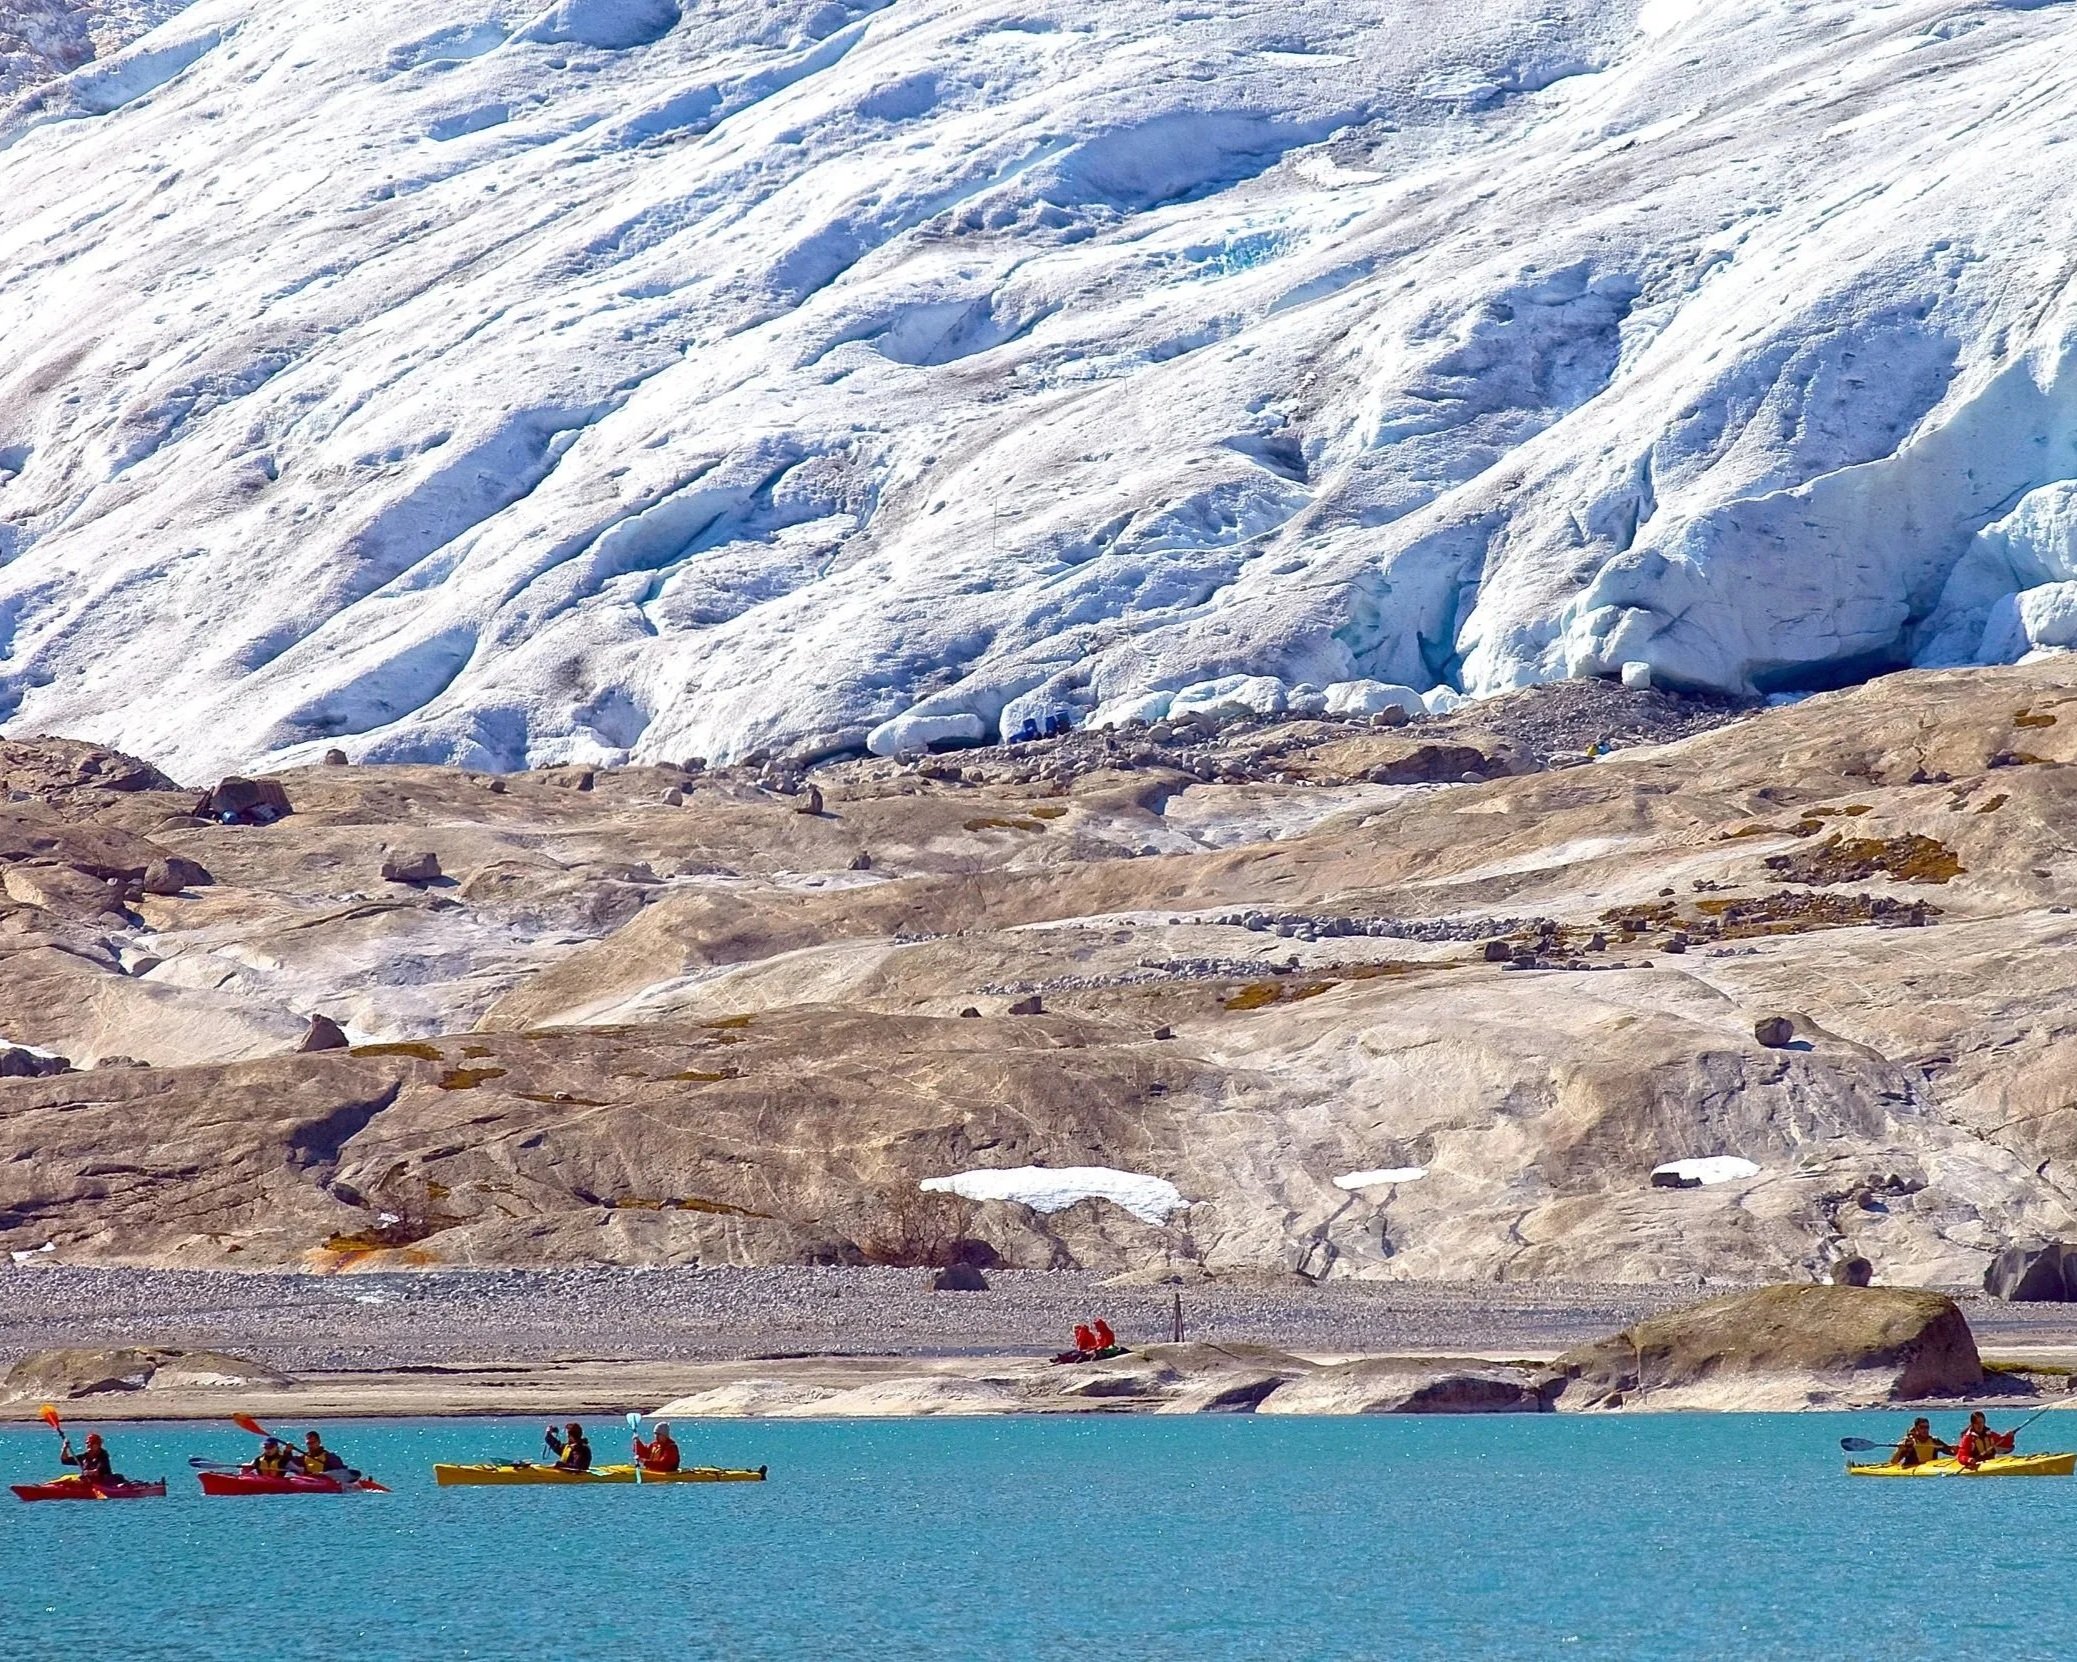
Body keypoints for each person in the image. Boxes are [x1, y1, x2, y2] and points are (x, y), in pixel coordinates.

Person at [60, 1431, 124, 1485]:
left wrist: (88, 1472)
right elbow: (64, 1460)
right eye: (87, 1443)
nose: (89, 1445)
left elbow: (97, 1471)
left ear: (98, 1445)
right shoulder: (84, 1456)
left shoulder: (103, 1456)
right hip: (88, 1481)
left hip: (104, 1481)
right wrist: (65, 1448)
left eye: (92, 1443)